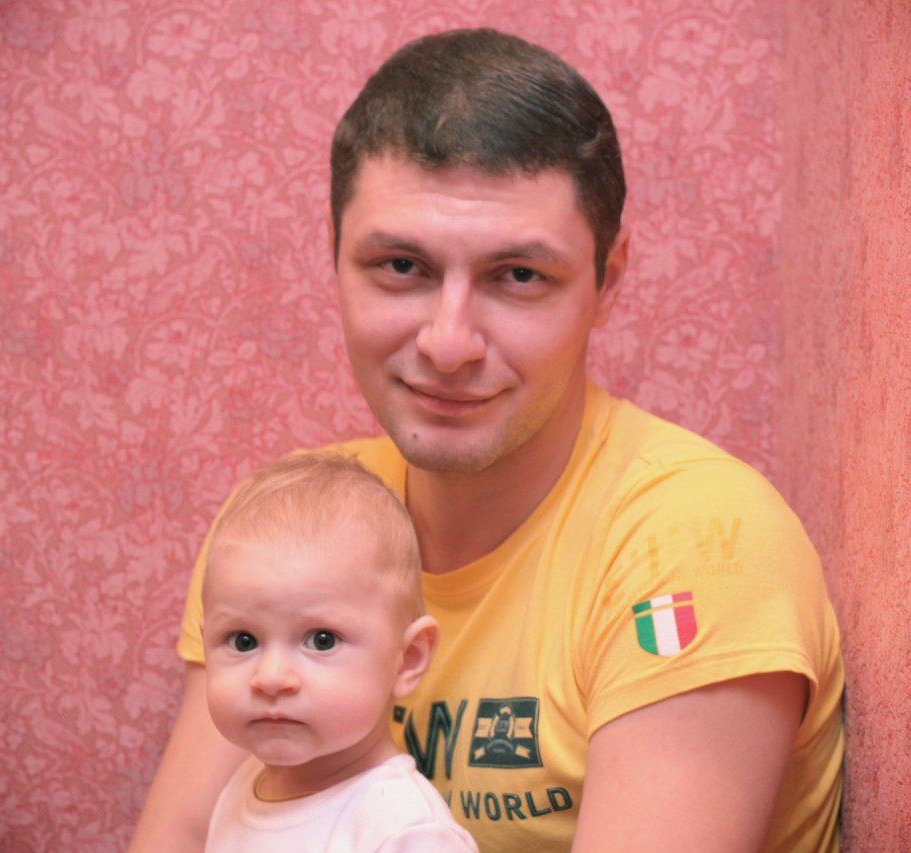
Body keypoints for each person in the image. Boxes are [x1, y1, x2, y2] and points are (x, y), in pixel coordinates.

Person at [131, 27, 844, 853]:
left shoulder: (698, 545)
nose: (449, 343)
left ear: (608, 279)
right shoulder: (291, 519)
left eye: (519, 276)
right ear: (334, 254)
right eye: (402, 265)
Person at [199, 452, 477, 852]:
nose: (271, 677)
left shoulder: (404, 830)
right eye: (244, 641)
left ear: (408, 659)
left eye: (322, 640)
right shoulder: (241, 788)